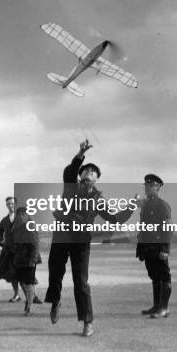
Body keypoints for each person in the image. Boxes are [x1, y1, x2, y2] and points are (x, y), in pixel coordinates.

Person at [45, 140, 135, 337]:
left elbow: (114, 219)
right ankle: (55, 301)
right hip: (62, 235)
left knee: (81, 281)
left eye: (93, 172)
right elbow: (69, 172)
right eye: (86, 171)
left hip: (81, 241)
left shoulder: (98, 200)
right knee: (55, 272)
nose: (89, 173)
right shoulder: (70, 187)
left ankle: (87, 321)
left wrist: (130, 207)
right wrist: (80, 153)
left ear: (96, 180)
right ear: (81, 175)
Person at [135, 174, 172, 319]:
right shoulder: (146, 205)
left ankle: (164, 308)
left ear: (158, 187)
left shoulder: (162, 205)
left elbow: (168, 228)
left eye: (151, 186)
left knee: (164, 277)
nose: (148, 188)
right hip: (148, 248)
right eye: (146, 185)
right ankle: (156, 306)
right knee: (155, 277)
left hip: (158, 248)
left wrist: (165, 249)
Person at [0, 197, 44, 305]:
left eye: (12, 203)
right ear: (6, 205)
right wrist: (1, 242)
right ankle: (16, 295)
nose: (10, 206)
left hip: (24, 253)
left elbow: (34, 237)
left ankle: (33, 296)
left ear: (16, 204)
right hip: (10, 252)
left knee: (28, 276)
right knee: (12, 275)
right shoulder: (4, 220)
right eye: (8, 204)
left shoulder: (24, 217)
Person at [11, 206, 41, 316]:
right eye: (18, 214)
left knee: (29, 283)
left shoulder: (31, 225)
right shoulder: (17, 227)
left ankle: (29, 308)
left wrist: (32, 260)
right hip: (19, 260)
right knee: (22, 282)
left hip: (29, 260)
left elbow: (35, 244)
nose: (20, 216)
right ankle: (29, 302)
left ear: (26, 215)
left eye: (23, 214)